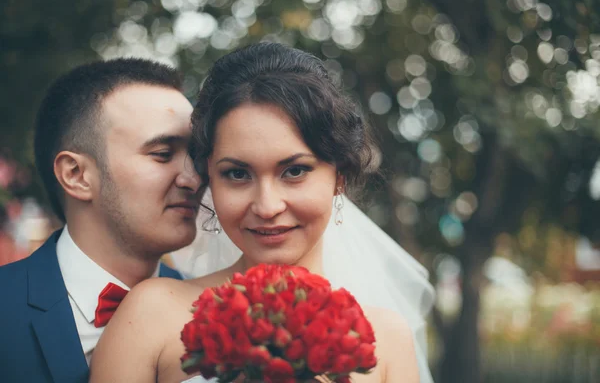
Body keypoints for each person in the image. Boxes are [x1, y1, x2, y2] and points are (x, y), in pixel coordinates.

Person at [90, 43, 432, 383]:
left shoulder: (386, 339)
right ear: (209, 174)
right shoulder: (150, 314)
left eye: (294, 171)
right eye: (237, 174)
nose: (267, 207)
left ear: (339, 176)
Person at [0, 58, 202, 383]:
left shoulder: (214, 312)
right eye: (163, 154)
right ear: (76, 174)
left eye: (197, 155)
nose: (194, 179)